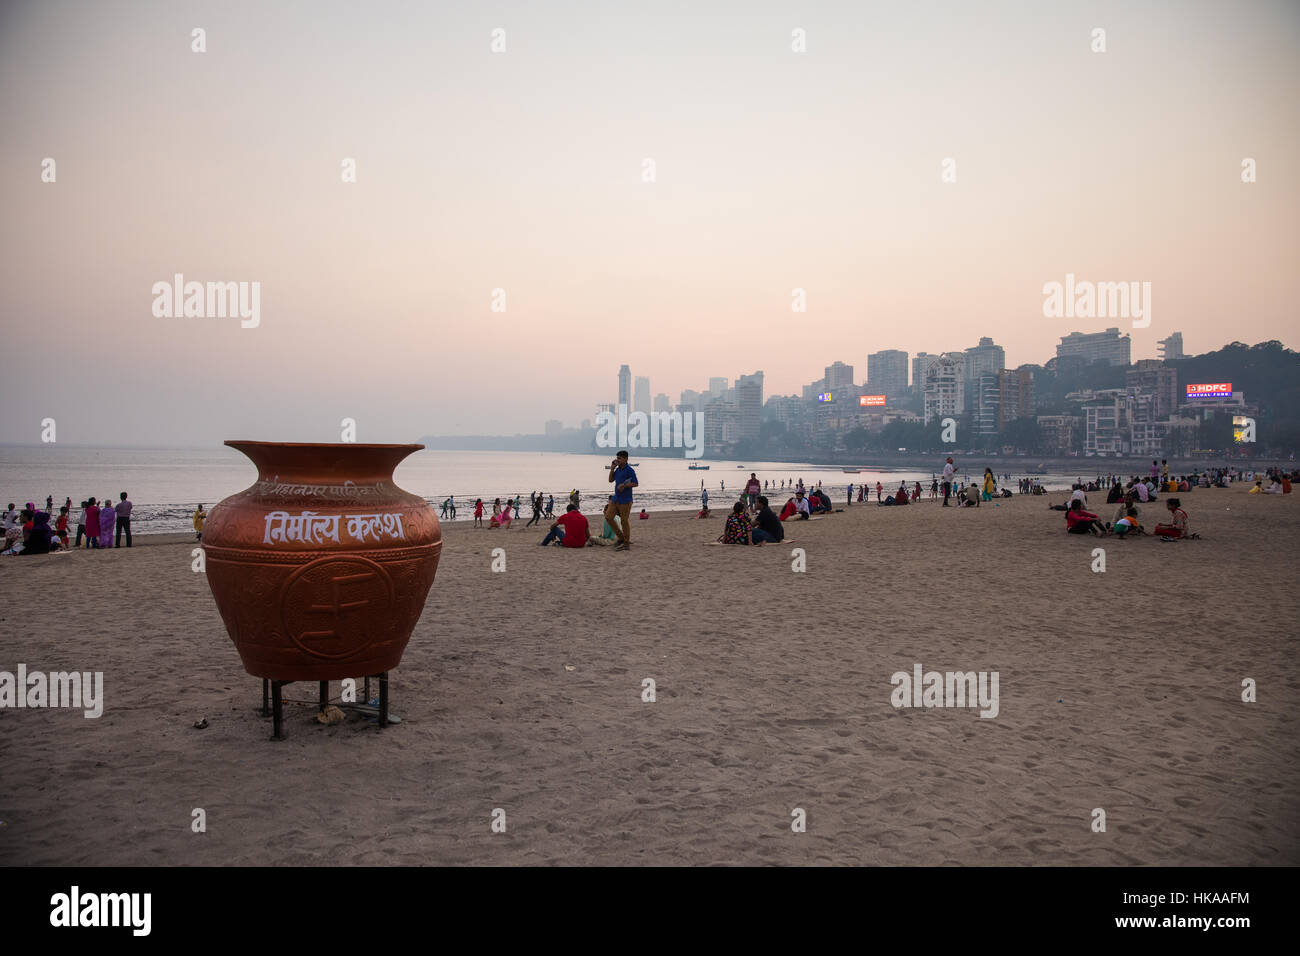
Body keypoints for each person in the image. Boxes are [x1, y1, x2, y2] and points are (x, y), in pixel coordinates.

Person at [607, 450, 638, 551]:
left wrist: (624, 485)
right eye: (617, 458)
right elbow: (610, 480)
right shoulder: (618, 469)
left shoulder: (630, 470)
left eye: (620, 458)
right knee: (608, 517)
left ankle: (626, 543)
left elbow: (636, 483)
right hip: (616, 499)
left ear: (626, 459)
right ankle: (621, 538)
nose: (618, 460)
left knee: (624, 521)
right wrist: (612, 469)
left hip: (625, 500)